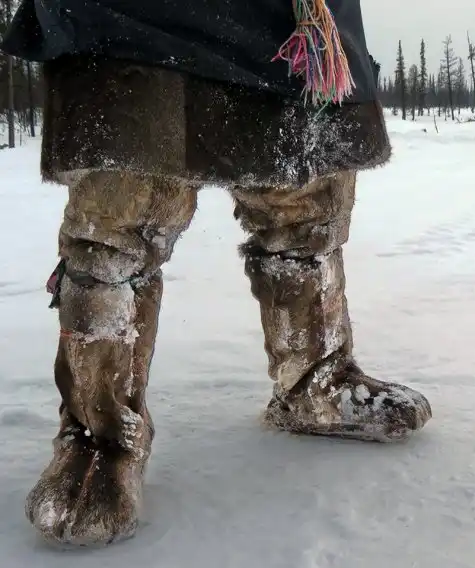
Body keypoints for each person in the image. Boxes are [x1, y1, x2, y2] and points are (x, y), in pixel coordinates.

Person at [1, 0, 431, 547]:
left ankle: (316, 379)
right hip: (133, 20)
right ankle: (99, 435)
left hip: (292, 22)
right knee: (116, 226)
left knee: (307, 210)